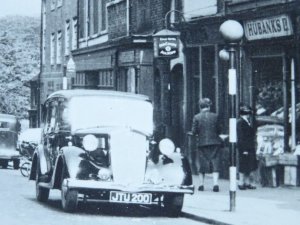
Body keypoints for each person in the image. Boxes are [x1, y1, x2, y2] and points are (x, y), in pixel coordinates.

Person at [192, 98, 222, 192]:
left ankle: (201, 185)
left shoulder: (197, 117)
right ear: (209, 106)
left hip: (202, 143)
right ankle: (215, 184)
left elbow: (194, 131)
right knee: (215, 163)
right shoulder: (215, 116)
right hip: (214, 143)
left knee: (202, 164)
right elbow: (219, 129)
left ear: (200, 107)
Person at [237, 104, 258, 190]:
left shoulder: (246, 122)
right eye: (248, 114)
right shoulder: (241, 122)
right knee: (244, 165)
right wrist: (244, 149)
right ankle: (241, 182)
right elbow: (241, 137)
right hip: (245, 147)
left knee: (249, 165)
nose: (249, 115)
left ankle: (246, 182)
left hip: (249, 146)